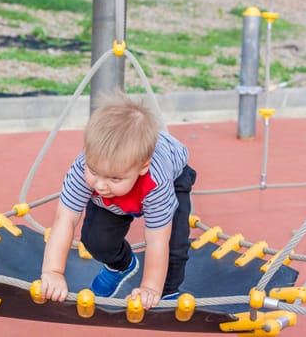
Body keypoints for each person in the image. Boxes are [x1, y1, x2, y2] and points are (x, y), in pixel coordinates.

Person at [40, 92, 197, 309]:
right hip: (121, 187)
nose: (101, 185)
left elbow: (157, 240)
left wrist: (150, 287)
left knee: (174, 246)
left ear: (143, 167)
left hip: (172, 179)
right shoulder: (85, 168)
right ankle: (121, 265)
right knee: (96, 240)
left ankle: (168, 291)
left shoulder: (157, 182)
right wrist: (53, 271)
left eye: (113, 178)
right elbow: (65, 219)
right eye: (94, 171)